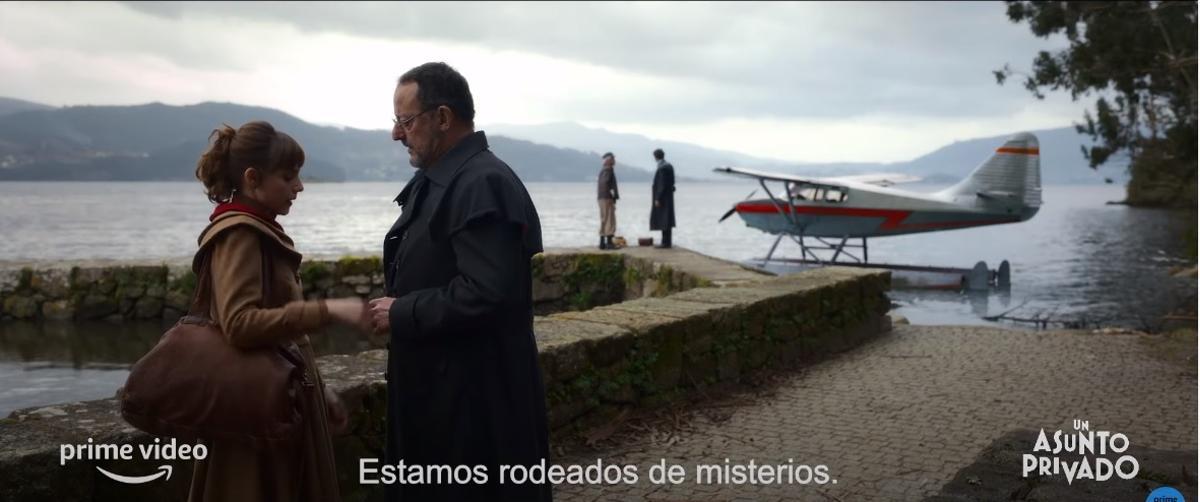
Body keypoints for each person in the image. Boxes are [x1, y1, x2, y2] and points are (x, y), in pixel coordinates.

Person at [368, 62, 552, 502]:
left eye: (405, 121)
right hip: (444, 395)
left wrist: (401, 310)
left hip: (472, 408)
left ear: (443, 118)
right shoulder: (449, 179)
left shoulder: (482, 183)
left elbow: (486, 293)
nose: (397, 134)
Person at [189, 120, 369, 502]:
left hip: (275, 405)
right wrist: (326, 310)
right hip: (256, 416)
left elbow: (280, 337)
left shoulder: (256, 228)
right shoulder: (240, 234)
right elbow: (240, 324)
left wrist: (320, 392)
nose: (299, 187)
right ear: (253, 178)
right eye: (288, 177)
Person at [650, 148, 676, 248]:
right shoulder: (669, 166)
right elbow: (672, 182)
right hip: (669, 197)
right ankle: (667, 242)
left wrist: (657, 198)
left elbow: (661, 184)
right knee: (667, 220)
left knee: (663, 220)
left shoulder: (662, 168)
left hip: (663, 198)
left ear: (655, 157)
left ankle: (665, 243)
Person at [596, 152, 619, 249]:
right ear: (608, 160)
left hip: (601, 197)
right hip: (607, 198)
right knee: (610, 219)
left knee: (603, 219)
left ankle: (602, 242)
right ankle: (609, 243)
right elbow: (607, 183)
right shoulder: (609, 170)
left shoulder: (602, 171)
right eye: (613, 159)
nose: (614, 161)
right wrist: (613, 195)